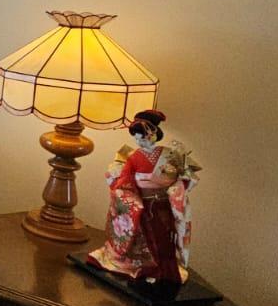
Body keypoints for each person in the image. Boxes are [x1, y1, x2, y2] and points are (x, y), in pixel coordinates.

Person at [85, 109, 199, 290]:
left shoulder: (171, 154)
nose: (139, 142)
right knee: (143, 238)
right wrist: (127, 195)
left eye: (142, 138)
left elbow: (186, 177)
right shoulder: (133, 157)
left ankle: (164, 270)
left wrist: (177, 187)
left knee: (164, 238)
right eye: (137, 139)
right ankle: (143, 267)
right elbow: (124, 180)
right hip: (142, 204)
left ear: (153, 134)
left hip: (163, 204)